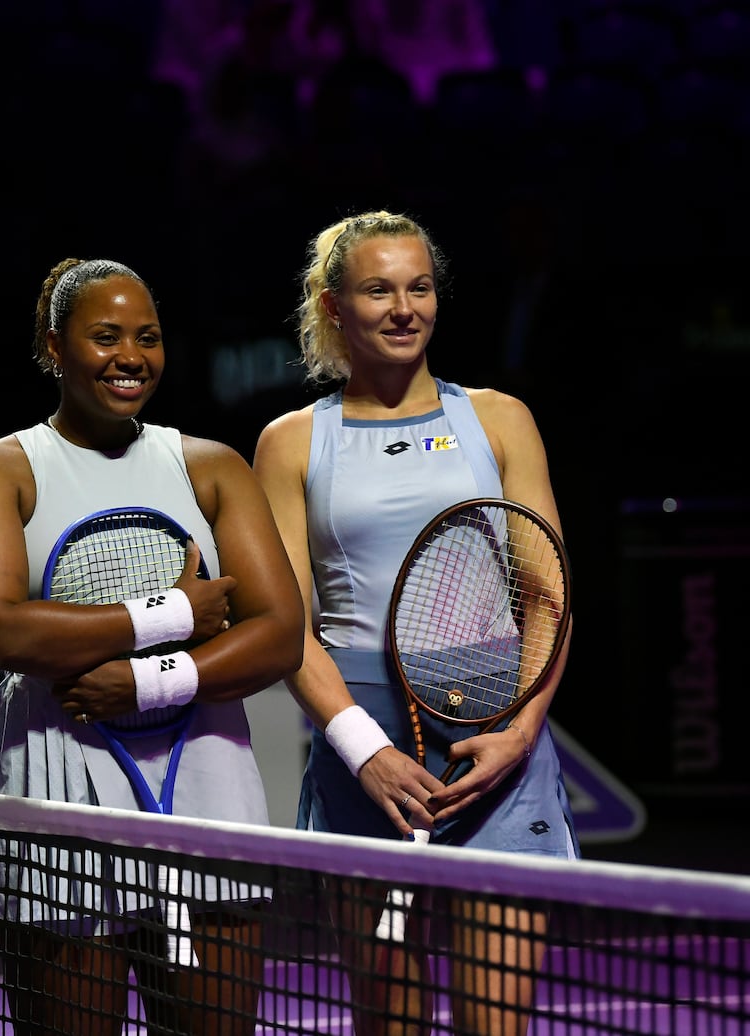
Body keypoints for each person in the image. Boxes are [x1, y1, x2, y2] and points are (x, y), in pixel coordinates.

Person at [0, 257, 305, 1036]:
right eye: (105, 336)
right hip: (55, 775)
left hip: (206, 776)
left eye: (148, 336)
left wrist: (146, 683)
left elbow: (278, 637)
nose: (130, 356)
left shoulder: (210, 466)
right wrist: (173, 612)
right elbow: (4, 630)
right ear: (54, 347)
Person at [252, 210, 578, 1036]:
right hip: (368, 749)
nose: (405, 308)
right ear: (333, 308)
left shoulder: (500, 420)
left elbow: (547, 595)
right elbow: (287, 624)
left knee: (496, 1023)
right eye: (378, 290)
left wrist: (521, 732)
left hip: (499, 739)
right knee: (386, 1022)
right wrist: (366, 751)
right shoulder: (291, 443)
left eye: (420, 287)